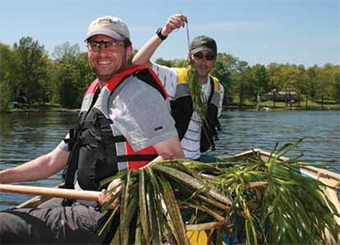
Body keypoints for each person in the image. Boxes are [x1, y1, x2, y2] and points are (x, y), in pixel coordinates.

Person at [0, 15, 183, 244]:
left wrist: (130, 180)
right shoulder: (94, 94)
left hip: (114, 214)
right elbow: (51, 162)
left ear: (128, 51)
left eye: (110, 44)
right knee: (12, 216)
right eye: (95, 44)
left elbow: (174, 157)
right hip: (80, 201)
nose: (101, 51)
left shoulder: (138, 94)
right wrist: (3, 176)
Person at [132, 14, 224, 162]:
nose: (203, 61)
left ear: (214, 60)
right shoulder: (174, 77)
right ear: (190, 57)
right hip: (172, 160)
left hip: (197, 159)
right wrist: (164, 32)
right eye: (198, 55)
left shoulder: (218, 88)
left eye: (209, 57)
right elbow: (138, 62)